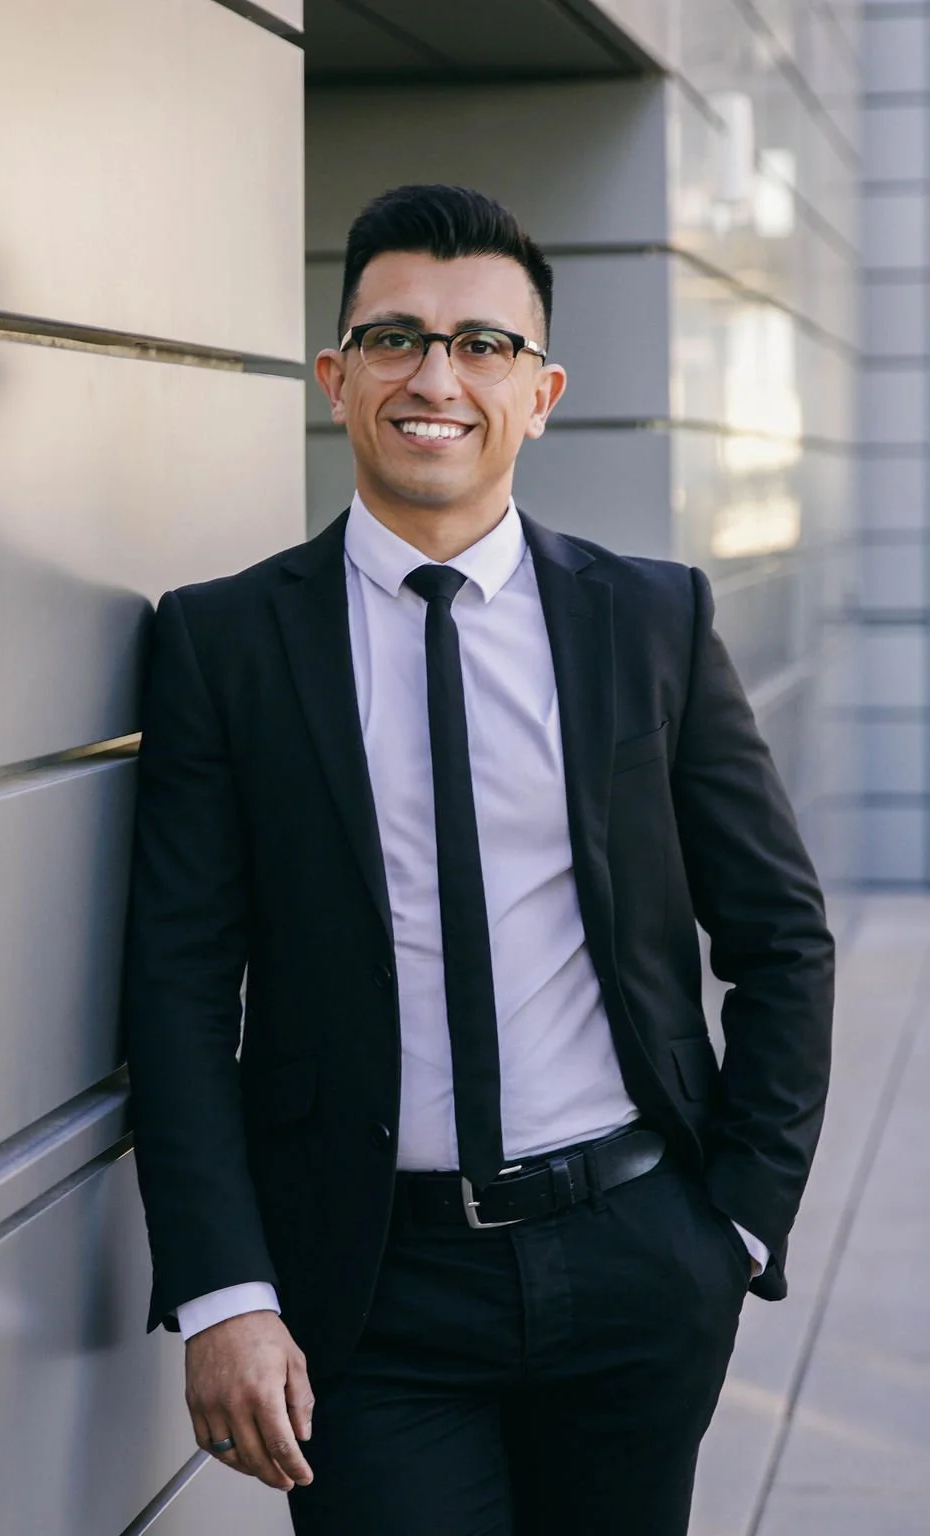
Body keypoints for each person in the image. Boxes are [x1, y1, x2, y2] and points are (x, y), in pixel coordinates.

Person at [123, 184, 834, 1536]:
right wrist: (225, 1288)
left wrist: (735, 1225)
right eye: (395, 336)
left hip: (637, 1260)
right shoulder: (224, 645)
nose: (435, 375)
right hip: (368, 1288)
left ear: (544, 389)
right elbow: (176, 983)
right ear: (337, 378)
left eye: (483, 344)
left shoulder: (653, 620)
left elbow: (781, 938)